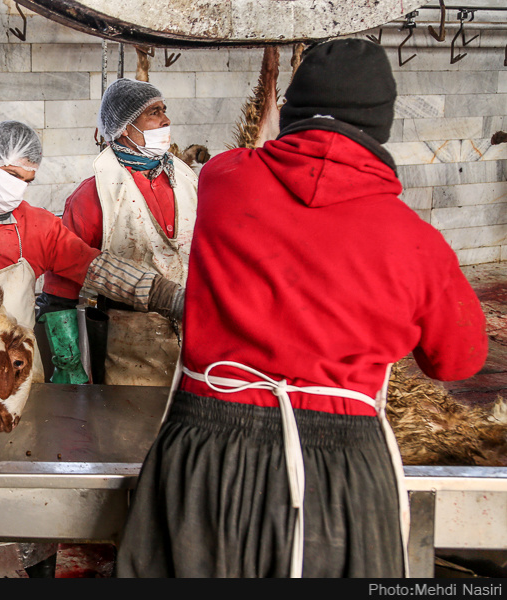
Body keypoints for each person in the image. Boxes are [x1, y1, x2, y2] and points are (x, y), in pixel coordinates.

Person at [115, 39, 488, 578]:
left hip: (206, 452)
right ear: (380, 126)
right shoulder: (416, 243)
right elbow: (459, 361)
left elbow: (265, 167)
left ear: (292, 114)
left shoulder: (224, 179)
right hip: (338, 472)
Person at [0, 120, 184, 384]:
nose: (19, 188)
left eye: (27, 180)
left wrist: (166, 295)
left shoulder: (38, 227)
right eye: (13, 175)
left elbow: (97, 269)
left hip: (19, 378)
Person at [40, 78, 199, 387]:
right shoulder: (93, 196)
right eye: (154, 112)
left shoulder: (187, 180)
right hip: (128, 342)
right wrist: (68, 361)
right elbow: (59, 289)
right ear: (125, 127)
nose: (166, 119)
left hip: (194, 337)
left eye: (164, 109)